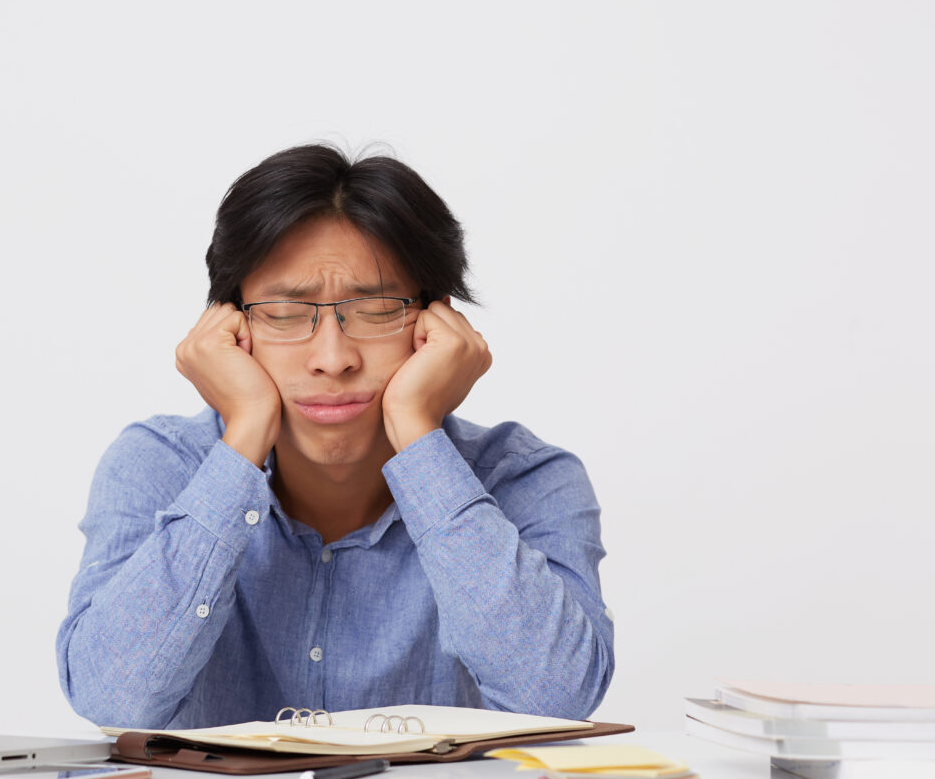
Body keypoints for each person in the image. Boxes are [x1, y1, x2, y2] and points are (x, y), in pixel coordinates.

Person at [56, 144, 613, 729]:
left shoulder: (529, 479)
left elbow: (557, 702)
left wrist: (420, 437)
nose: (332, 358)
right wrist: (244, 434)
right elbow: (111, 702)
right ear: (229, 326)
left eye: (376, 310)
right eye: (285, 312)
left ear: (437, 325)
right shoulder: (158, 466)